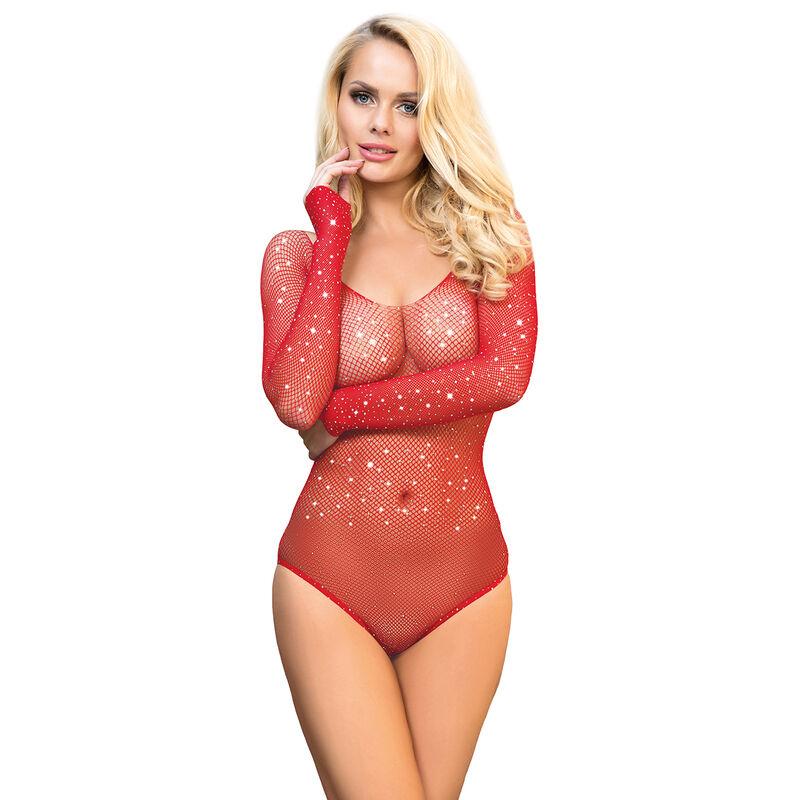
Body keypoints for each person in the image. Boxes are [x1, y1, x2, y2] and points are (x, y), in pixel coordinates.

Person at [260, 15, 538, 800]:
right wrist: (331, 230)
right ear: (336, 101)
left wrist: (345, 411)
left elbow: (504, 376)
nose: (380, 123)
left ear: (436, 117)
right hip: (330, 581)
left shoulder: (490, 234)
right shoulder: (295, 253)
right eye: (363, 96)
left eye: (408, 105)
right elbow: (295, 400)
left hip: (464, 587)